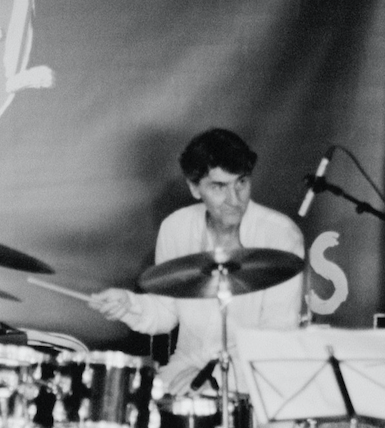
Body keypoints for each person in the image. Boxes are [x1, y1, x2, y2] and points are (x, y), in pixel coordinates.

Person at [89, 128, 304, 396]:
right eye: (219, 187)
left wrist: (211, 378)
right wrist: (127, 305)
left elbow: (278, 337)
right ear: (194, 188)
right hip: (185, 366)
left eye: (241, 183)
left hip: (253, 376)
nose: (234, 200)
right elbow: (165, 313)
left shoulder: (280, 235)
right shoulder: (176, 227)